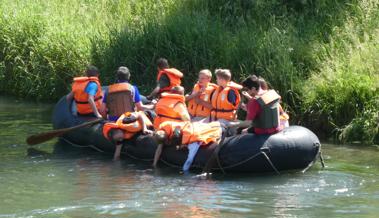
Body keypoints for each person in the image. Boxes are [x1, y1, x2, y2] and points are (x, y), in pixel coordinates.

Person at [152, 120, 223, 171]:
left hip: (194, 136)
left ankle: (185, 172)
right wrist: (154, 164)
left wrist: (181, 146)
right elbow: (159, 148)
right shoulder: (163, 128)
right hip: (191, 127)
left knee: (189, 160)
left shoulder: (178, 135)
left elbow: (181, 144)